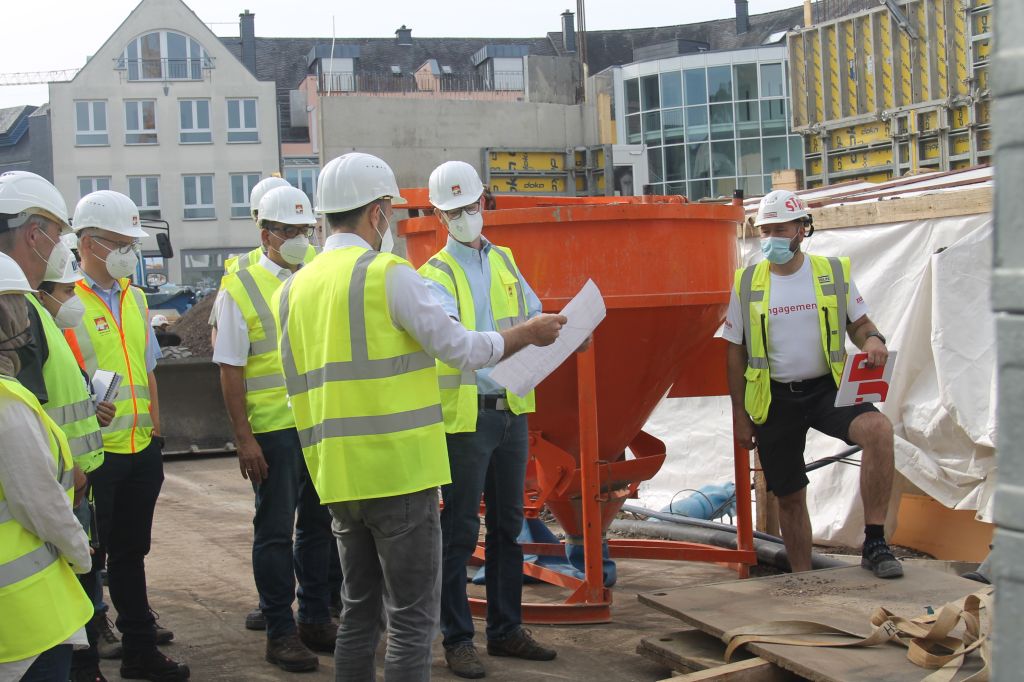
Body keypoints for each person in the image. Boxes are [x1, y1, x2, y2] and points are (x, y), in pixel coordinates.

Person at [277, 152, 567, 681]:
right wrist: (527, 334)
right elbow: (459, 348)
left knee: (359, 612)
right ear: (375, 213)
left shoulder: (294, 288)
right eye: (387, 208)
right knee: (411, 620)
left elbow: (296, 383)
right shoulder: (391, 275)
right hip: (399, 471)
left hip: (337, 476)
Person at [418, 161, 556, 679]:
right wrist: (533, 331)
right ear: (439, 214)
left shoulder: (505, 262)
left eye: (470, 205)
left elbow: (534, 317)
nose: (465, 216)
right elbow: (457, 347)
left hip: (510, 412)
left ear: (485, 201)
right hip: (467, 418)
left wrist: (565, 330)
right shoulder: (433, 276)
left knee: (507, 527)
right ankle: (457, 639)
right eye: (453, 210)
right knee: (458, 532)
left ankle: (505, 630)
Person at [723, 189, 902, 579]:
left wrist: (873, 339)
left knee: (878, 430)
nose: (770, 237)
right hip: (773, 397)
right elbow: (734, 349)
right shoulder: (747, 281)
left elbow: (860, 323)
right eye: (765, 229)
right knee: (789, 496)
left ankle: (875, 542)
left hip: (827, 388)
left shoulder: (831, 272)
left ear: (802, 230)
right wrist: (739, 413)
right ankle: (804, 580)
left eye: (779, 228)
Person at [214, 185, 336, 673]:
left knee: (317, 528)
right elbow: (229, 369)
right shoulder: (239, 289)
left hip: (316, 426)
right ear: (265, 234)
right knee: (273, 532)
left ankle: (314, 618)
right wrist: (245, 439)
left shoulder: (313, 278)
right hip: (273, 433)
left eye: (305, 230)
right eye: (289, 231)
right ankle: (280, 631)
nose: (299, 239)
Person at [71, 190, 190, 681]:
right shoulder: (64, 303)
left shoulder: (135, 298)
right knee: (86, 558)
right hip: (95, 458)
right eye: (120, 243)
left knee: (131, 554)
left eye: (131, 244)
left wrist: (157, 436)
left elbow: (149, 373)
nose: (129, 253)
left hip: (141, 450)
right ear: (88, 244)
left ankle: (139, 649)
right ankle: (88, 650)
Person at [0, 252, 94, 682]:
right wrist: (80, 551)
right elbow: (40, 502)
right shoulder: (6, 404)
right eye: (16, 307)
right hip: (27, 619)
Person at [33, 256, 118, 682]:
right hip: (67, 483)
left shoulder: (52, 329)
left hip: (80, 479)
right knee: (75, 575)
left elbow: (65, 399)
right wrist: (72, 473)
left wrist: (93, 408)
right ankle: (83, 667)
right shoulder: (33, 329)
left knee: (87, 570)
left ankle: (86, 664)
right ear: (42, 290)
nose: (73, 299)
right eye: (67, 291)